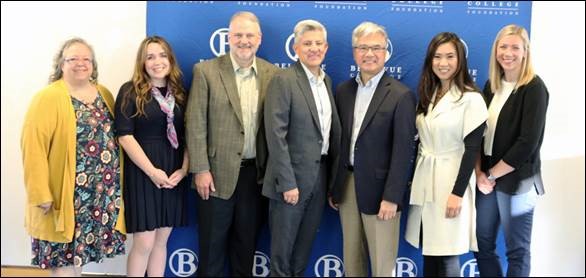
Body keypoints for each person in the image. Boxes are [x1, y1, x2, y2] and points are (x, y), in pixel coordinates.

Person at [20, 37, 125, 276]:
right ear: (61, 64)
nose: (81, 63)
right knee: (62, 262)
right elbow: (32, 148)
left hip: (97, 196)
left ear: (93, 65)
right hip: (63, 197)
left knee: (77, 260)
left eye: (86, 59)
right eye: (73, 58)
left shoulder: (104, 94)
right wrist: (41, 193)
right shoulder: (48, 97)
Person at [185, 11, 278, 276]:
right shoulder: (206, 71)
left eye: (249, 35)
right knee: (211, 251)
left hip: (255, 177)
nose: (244, 41)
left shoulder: (272, 74)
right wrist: (200, 169)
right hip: (214, 176)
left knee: (245, 249)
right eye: (238, 35)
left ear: (259, 39)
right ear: (229, 38)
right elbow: (195, 123)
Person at [328, 21, 417, 277]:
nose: (369, 54)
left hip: (382, 193)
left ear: (386, 51)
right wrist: (336, 185)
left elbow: (403, 152)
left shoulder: (401, 95)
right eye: (363, 48)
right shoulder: (343, 91)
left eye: (376, 48)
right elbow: (340, 143)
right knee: (352, 261)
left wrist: (392, 197)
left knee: (382, 265)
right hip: (347, 188)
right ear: (355, 52)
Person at [405, 32, 488, 276]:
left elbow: (472, 150)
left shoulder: (471, 99)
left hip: (451, 182)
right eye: (438, 56)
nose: (443, 63)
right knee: (431, 252)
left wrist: (457, 193)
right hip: (426, 182)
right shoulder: (429, 96)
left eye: (450, 56)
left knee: (448, 254)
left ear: (460, 60)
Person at [263, 19, 341, 277]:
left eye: (319, 43)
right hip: (290, 181)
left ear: (326, 47)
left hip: (319, 178)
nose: (314, 48)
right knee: (281, 258)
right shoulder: (283, 80)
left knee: (302, 253)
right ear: (296, 48)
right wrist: (287, 183)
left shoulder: (326, 81)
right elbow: (276, 135)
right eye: (307, 43)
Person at [474, 24, 549, 277]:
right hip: (486, 180)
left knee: (517, 250)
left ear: (525, 52)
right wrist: (480, 175)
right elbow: (479, 136)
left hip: (517, 182)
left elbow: (527, 143)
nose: (508, 53)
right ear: (496, 50)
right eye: (503, 46)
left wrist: (491, 175)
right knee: (482, 245)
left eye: (515, 47)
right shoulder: (491, 86)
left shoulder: (535, 88)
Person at [115, 36, 188, 277]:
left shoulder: (179, 93)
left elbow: (190, 135)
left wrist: (184, 170)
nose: (157, 61)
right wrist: (152, 172)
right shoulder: (130, 91)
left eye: (162, 55)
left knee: (160, 242)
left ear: (170, 59)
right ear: (142, 62)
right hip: (144, 173)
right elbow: (125, 137)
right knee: (144, 243)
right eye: (150, 56)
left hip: (173, 174)